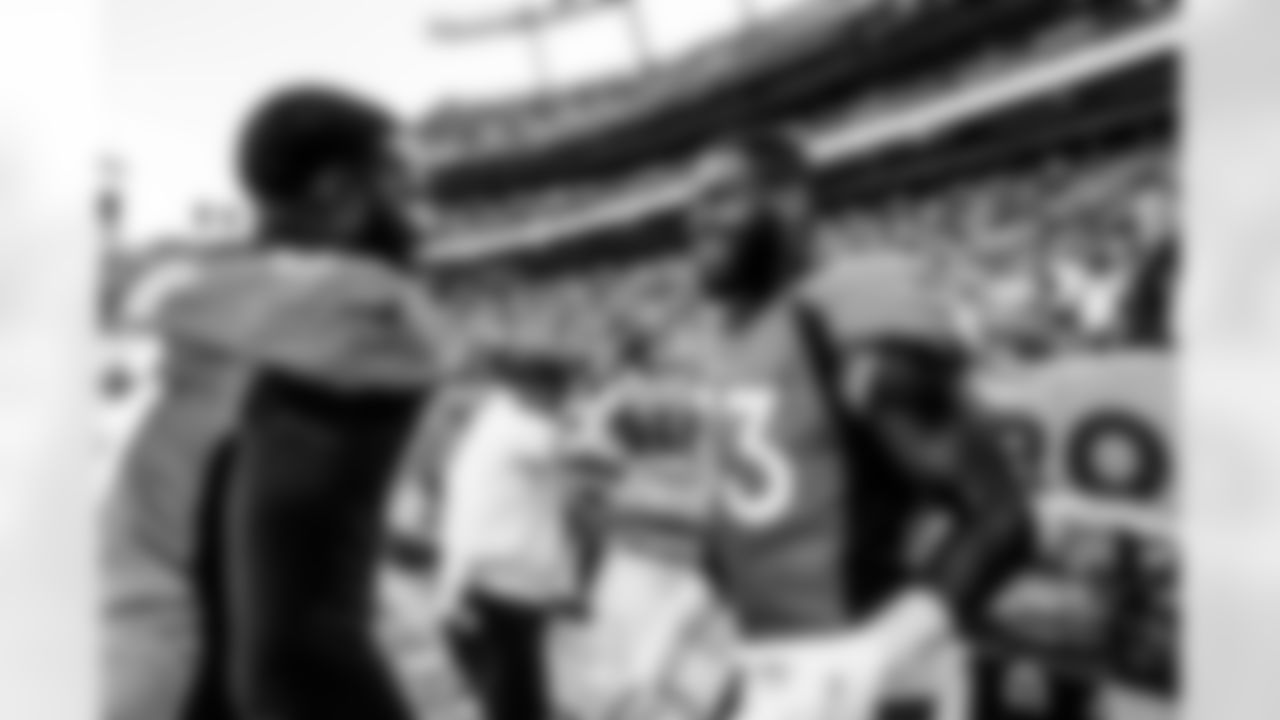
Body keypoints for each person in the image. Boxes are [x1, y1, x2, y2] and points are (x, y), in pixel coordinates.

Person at [598, 130, 1035, 720]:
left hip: (876, 679)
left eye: (721, 197)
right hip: (778, 669)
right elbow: (756, 529)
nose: (697, 220)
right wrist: (680, 621)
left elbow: (1001, 519)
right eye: (692, 205)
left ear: (791, 202)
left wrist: (877, 651)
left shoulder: (848, 311)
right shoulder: (738, 338)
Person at [215, 84, 444, 720]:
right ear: (336, 191)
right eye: (404, 185)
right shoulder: (367, 310)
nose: (426, 218)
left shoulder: (257, 316)